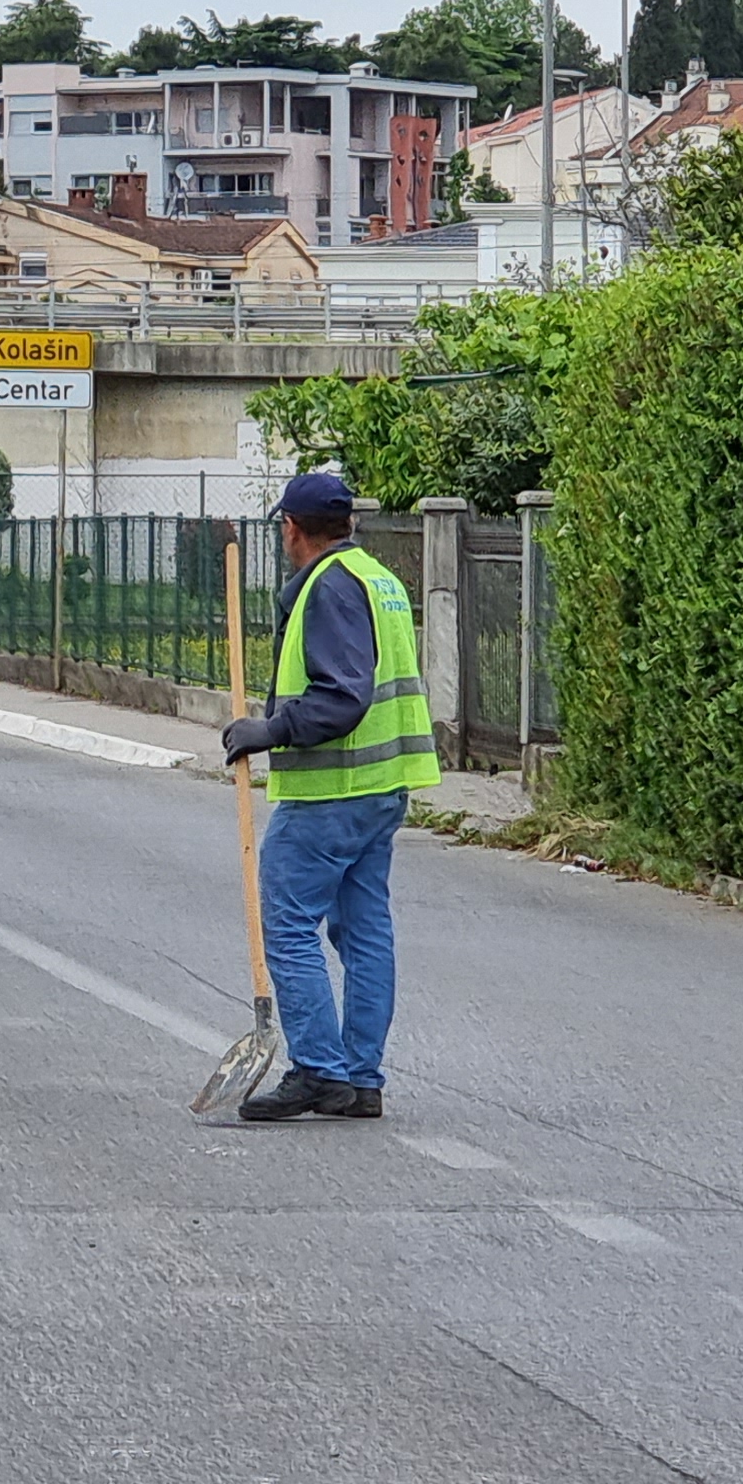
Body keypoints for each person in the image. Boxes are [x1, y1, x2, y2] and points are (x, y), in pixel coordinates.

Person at [219, 470, 441, 1120]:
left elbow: (344, 694)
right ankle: (360, 1078)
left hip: (333, 791)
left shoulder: (329, 588)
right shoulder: (378, 578)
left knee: (286, 922)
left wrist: (272, 730)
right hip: (382, 787)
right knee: (364, 928)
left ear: (291, 528)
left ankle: (319, 1069)